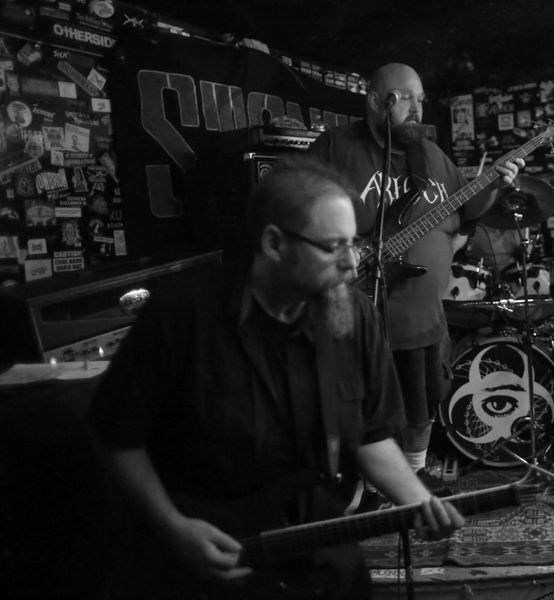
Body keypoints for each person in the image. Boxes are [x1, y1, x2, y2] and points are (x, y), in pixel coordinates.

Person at [88, 157, 464, 599]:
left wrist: (417, 500)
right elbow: (118, 438)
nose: (352, 263)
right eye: (333, 247)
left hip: (324, 562)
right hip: (212, 570)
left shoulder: (354, 316)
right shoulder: (180, 315)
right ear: (274, 243)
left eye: (354, 243)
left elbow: (371, 435)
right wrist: (173, 528)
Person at [308, 63, 522, 502]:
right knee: (369, 403)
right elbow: (298, 206)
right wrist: (340, 249)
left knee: (422, 399)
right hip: (360, 310)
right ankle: (369, 489)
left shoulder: (432, 156)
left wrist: (494, 186)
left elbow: (467, 212)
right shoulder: (336, 147)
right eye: (405, 97)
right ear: (375, 100)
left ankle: (415, 477)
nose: (416, 107)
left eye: (420, 99)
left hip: (424, 311)